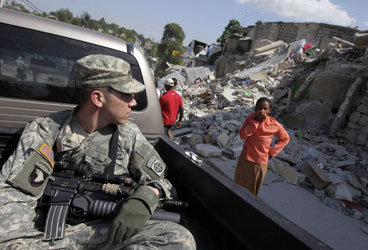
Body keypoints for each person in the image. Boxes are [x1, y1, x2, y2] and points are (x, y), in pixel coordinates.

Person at [0, 54, 195, 249]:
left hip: (100, 231)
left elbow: (162, 181)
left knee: (178, 238)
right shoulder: (46, 130)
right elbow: (12, 198)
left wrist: (148, 195)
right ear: (98, 98)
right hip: (46, 238)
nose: (133, 102)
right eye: (127, 94)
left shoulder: (128, 134)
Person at [234, 97, 290, 196]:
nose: (261, 111)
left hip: (259, 162)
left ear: (269, 110)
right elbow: (243, 135)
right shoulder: (251, 118)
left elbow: (285, 138)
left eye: (265, 108)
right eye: (259, 108)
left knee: (251, 192)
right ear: (255, 108)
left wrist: (272, 152)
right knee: (238, 186)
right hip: (245, 158)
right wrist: (255, 122)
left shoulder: (274, 124)